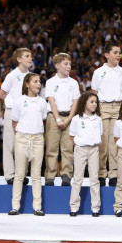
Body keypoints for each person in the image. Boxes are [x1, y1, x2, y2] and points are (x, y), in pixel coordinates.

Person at [9, 73, 48, 216]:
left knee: (36, 175)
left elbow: (43, 118)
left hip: (38, 139)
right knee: (19, 174)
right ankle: (15, 206)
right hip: (22, 139)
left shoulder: (43, 102)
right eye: (35, 81)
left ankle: (37, 207)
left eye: (39, 82)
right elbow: (14, 122)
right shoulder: (19, 101)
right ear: (27, 84)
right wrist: (21, 136)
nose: (39, 84)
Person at [91, 44, 122, 187]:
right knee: (102, 141)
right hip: (102, 106)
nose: (118, 55)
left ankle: (114, 174)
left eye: (119, 53)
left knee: (115, 143)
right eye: (115, 52)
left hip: (118, 106)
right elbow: (94, 92)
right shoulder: (98, 72)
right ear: (106, 55)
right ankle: (101, 173)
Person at [44, 52, 80, 186]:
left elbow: (75, 102)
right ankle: (50, 175)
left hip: (69, 117)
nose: (69, 66)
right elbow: (52, 101)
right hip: (54, 116)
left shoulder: (74, 83)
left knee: (68, 148)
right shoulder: (51, 82)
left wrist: (69, 118)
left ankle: (66, 174)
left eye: (70, 64)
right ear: (57, 65)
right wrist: (58, 119)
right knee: (52, 148)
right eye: (66, 64)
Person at [0, 48, 32, 185]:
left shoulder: (32, 77)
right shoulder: (12, 75)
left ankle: (22, 174)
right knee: (10, 144)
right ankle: (9, 175)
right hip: (12, 112)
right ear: (19, 59)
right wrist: (11, 103)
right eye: (27, 56)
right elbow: (1, 94)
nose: (30, 58)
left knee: (25, 145)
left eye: (31, 56)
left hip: (27, 113)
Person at [68, 91, 103, 217]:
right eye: (92, 102)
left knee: (94, 179)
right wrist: (80, 143)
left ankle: (95, 208)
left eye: (96, 102)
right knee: (78, 178)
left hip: (94, 149)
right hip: (81, 149)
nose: (95, 104)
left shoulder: (98, 119)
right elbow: (72, 136)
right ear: (84, 103)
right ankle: (74, 207)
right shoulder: (76, 119)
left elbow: (100, 134)